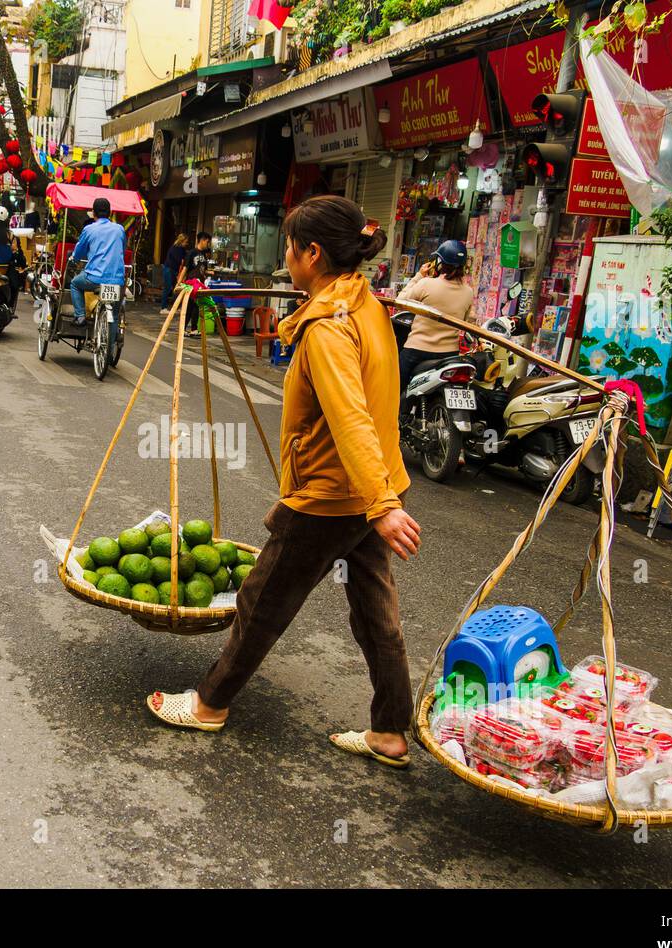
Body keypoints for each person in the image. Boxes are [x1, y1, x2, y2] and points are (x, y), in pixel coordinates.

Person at [146, 195, 421, 768]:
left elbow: (350, 417)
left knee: (262, 599)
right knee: (375, 610)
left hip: (331, 493)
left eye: (291, 248)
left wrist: (382, 503)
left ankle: (208, 703)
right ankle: (393, 730)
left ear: (313, 253)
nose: (287, 259)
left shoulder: (326, 329)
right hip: (365, 493)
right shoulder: (366, 304)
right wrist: (381, 499)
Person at [395, 240, 475, 393]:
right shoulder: (468, 292)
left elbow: (400, 301)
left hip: (417, 351)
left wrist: (418, 276)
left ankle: (400, 414)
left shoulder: (426, 284)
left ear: (440, 263)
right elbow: (464, 320)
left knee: (396, 388)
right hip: (449, 354)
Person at [68, 196, 127, 344]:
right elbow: (123, 248)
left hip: (94, 279)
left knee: (75, 283)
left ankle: (80, 316)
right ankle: (111, 344)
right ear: (110, 212)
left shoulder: (89, 229)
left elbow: (79, 252)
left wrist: (74, 258)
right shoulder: (119, 229)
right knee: (113, 312)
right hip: (117, 281)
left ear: (93, 213)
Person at [181, 231, 214, 335]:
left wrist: (209, 272)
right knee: (190, 306)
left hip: (200, 283)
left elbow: (202, 269)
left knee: (196, 306)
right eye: (207, 242)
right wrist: (179, 282)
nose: (207, 244)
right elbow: (185, 268)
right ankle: (185, 328)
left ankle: (193, 329)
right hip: (191, 282)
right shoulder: (191, 253)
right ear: (202, 240)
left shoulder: (204, 255)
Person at [160, 233, 189, 313]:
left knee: (176, 289)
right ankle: (163, 308)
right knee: (168, 288)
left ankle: (176, 307)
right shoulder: (175, 248)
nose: (186, 244)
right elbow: (180, 260)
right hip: (169, 269)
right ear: (181, 241)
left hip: (173, 270)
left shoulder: (181, 249)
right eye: (185, 242)